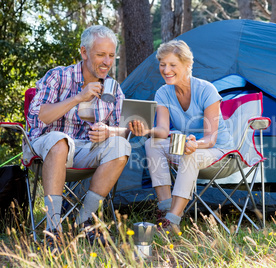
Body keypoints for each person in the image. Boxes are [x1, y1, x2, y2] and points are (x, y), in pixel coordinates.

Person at [25, 25, 131, 250]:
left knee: (121, 145)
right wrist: (78, 97)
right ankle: (52, 230)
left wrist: (109, 132)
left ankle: (86, 223)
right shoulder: (58, 76)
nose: (107, 62)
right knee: (59, 141)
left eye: (111, 56)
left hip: (84, 150)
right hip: (45, 148)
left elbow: (123, 130)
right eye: (100, 55)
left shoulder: (113, 89)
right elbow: (40, 116)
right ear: (84, 52)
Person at [129, 40, 234, 232]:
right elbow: (162, 129)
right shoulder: (163, 93)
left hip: (218, 151)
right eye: (162, 64)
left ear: (187, 65)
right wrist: (146, 131)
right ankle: (165, 209)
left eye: (172, 65)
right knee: (152, 143)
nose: (166, 70)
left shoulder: (206, 90)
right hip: (186, 147)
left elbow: (211, 138)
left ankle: (172, 222)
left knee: (190, 154)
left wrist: (196, 144)